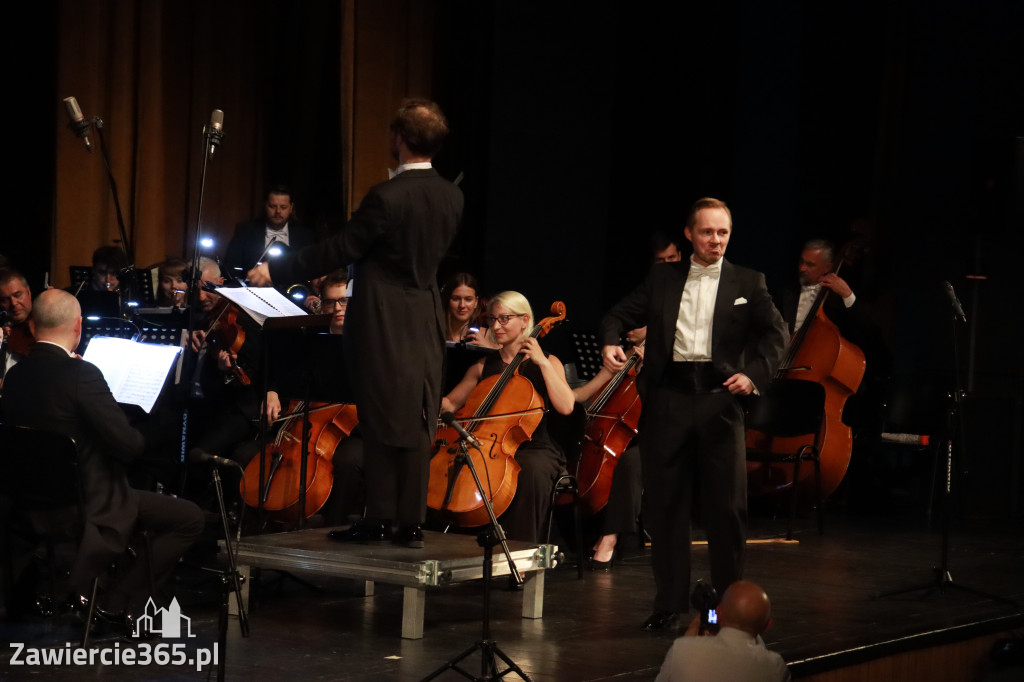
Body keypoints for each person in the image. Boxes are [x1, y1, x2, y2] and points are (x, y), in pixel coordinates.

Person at [248, 98, 463, 548]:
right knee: (416, 412)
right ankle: (409, 521)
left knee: (381, 412)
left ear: (399, 139)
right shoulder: (451, 195)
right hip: (425, 314)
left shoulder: (387, 196)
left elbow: (342, 247)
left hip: (384, 315)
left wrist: (277, 269)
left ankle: (381, 517)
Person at [600, 197, 788, 630]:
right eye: (707, 232)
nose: (716, 240)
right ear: (689, 234)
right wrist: (611, 340)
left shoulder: (748, 281)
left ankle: (727, 608)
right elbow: (617, 314)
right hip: (669, 399)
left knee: (727, 509)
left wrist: (753, 374)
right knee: (666, 507)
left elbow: (777, 334)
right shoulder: (663, 277)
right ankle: (668, 604)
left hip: (719, 401)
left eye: (723, 233)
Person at [0, 289, 203, 627]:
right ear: (78, 326)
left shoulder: (15, 376)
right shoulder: (82, 374)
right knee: (189, 518)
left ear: (33, 326)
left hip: (25, 503)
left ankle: (96, 588)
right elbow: (130, 446)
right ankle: (114, 603)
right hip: (81, 505)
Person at [440, 291, 575, 543]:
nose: (496, 326)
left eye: (504, 319)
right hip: (489, 447)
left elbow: (566, 406)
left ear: (525, 320)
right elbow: (450, 402)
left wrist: (543, 364)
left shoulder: (548, 361)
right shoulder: (483, 366)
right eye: (492, 319)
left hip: (535, 448)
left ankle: (522, 550)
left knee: (530, 471)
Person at [570, 345, 644, 570]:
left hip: (654, 437)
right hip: (613, 438)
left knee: (629, 464)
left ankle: (610, 537)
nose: (629, 332)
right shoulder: (622, 363)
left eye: (635, 328)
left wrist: (650, 373)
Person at [655, 580, 790, 681]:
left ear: (718, 613)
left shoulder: (681, 650)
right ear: (767, 626)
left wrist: (688, 640)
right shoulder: (775, 666)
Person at [223, 186, 315, 280]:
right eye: (272, 206)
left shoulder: (305, 236)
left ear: (291, 208)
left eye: (283, 207)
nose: (278, 211)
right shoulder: (246, 231)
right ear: (265, 206)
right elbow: (231, 265)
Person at [441, 272, 497, 347]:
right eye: (456, 299)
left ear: (476, 302)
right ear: (447, 300)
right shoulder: (435, 332)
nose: (462, 305)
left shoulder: (490, 336)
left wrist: (488, 348)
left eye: (468, 299)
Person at [1, 268, 35, 383]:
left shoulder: (43, 324)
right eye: (5, 299)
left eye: (18, 295)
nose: (13, 303)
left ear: (28, 292)